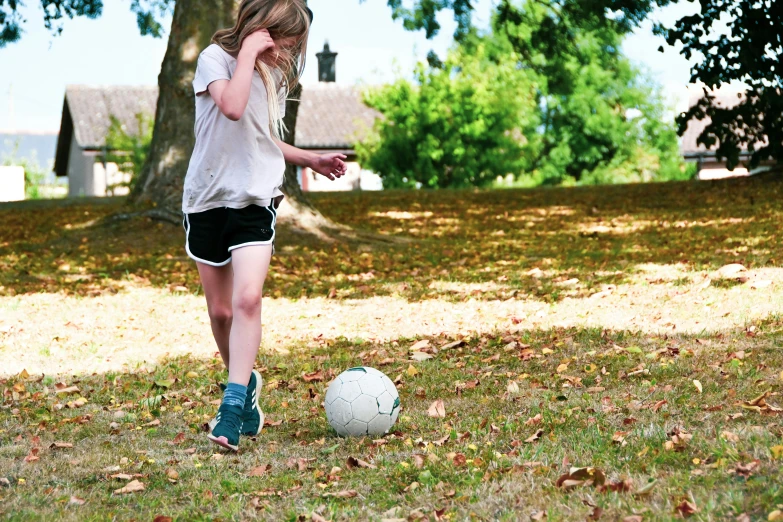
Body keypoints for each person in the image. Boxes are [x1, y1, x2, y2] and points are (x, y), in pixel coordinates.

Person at [182, 0, 347, 451]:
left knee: (248, 298)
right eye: (284, 45)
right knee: (221, 313)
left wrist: (309, 158)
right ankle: (245, 382)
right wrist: (249, 55)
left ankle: (232, 407)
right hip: (208, 199)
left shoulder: (266, 73)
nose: (285, 57)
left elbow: (258, 135)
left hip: (255, 196)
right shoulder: (214, 61)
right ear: (261, 30)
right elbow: (232, 108)